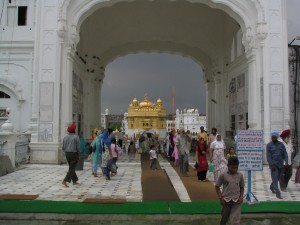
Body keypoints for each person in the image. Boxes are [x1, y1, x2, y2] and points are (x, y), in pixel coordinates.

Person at [215, 156, 245, 225]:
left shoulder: (240, 175)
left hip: (236, 200)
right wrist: (220, 197)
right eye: (232, 167)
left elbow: (242, 187)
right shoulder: (223, 175)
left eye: (236, 168)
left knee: (235, 220)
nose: (234, 169)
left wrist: (241, 197)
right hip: (225, 200)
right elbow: (217, 186)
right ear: (228, 166)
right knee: (224, 219)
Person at [266, 131, 288, 199]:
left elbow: (285, 153)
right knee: (275, 178)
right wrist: (271, 164)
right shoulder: (269, 145)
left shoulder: (281, 144)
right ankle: (278, 193)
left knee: (277, 178)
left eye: (274, 137)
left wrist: (286, 161)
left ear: (277, 137)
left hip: (280, 164)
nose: (273, 138)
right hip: (273, 165)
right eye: (272, 137)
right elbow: (268, 156)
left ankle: (272, 187)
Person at [62, 123, 81, 187]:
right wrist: (79, 154)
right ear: (74, 130)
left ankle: (74, 181)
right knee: (72, 168)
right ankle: (65, 180)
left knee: (71, 167)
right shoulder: (76, 137)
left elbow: (63, 147)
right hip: (73, 154)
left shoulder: (65, 137)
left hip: (67, 153)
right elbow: (78, 147)